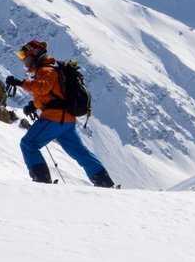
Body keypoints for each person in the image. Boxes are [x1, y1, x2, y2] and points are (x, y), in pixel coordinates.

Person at [7, 39, 116, 188]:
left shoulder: (46, 70)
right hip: (66, 120)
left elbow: (43, 87)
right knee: (80, 153)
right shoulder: (50, 70)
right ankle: (105, 182)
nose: (23, 59)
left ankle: (42, 181)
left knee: (29, 144)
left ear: (35, 54)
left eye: (24, 55)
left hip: (54, 119)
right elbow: (52, 93)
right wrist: (34, 104)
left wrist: (21, 83)